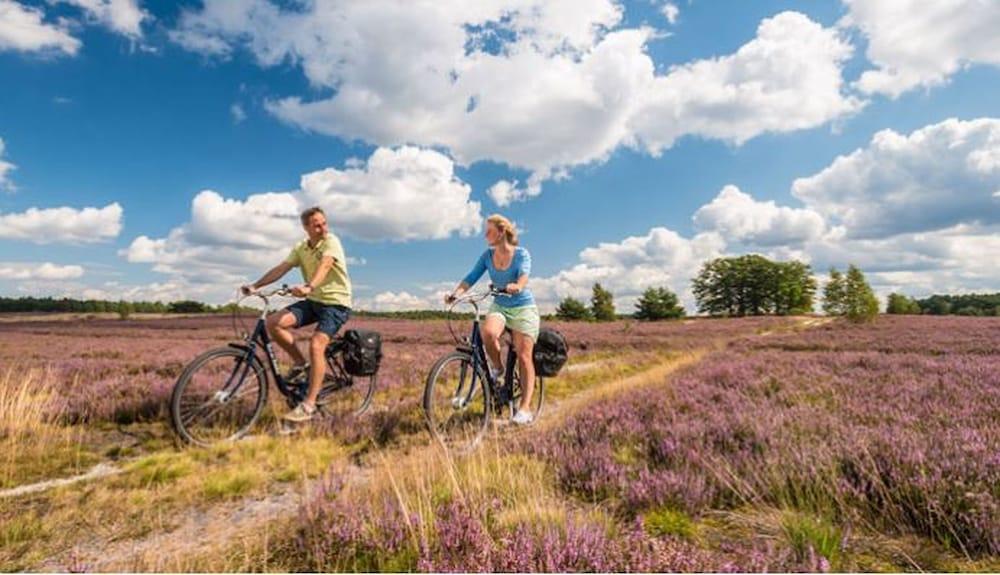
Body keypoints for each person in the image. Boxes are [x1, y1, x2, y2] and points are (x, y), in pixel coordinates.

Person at [241, 206, 352, 422]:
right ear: (306, 228)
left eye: (324, 223)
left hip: (336, 303)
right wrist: (256, 286)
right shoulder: (301, 247)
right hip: (314, 301)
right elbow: (281, 268)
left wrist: (309, 286)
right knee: (273, 323)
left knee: (317, 344)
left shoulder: (331, 241)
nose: (322, 228)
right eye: (317, 225)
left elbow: (326, 265)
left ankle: (309, 404)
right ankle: (301, 363)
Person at [445, 214, 540, 425]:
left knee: (524, 355)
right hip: (500, 304)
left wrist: (518, 285)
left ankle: (524, 409)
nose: (485, 234)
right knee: (487, 333)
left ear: (501, 231)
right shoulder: (487, 256)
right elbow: (471, 277)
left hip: (523, 306)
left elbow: (523, 276)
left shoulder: (521, 254)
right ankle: (498, 368)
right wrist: (456, 293)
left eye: (488, 230)